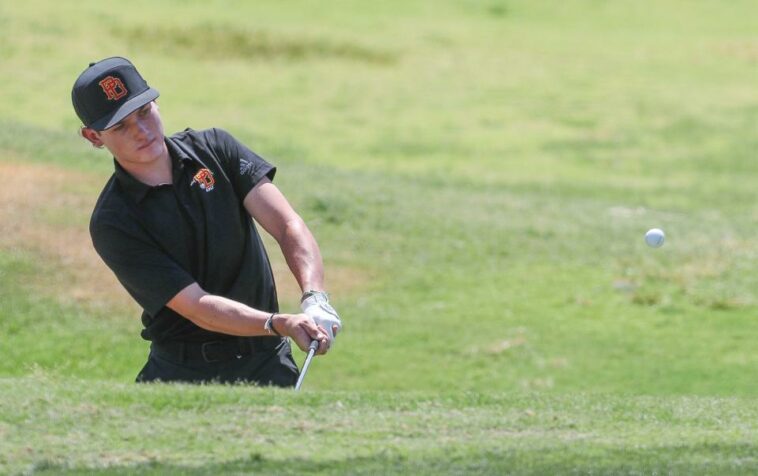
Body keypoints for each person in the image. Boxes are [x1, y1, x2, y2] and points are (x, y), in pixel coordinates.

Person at [71, 56, 342, 386]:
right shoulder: (114, 221)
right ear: (93, 137)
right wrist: (277, 323)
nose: (141, 131)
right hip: (185, 375)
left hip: (268, 362)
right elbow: (198, 306)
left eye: (144, 112)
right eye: (120, 126)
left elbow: (287, 225)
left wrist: (315, 297)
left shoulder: (216, 148)